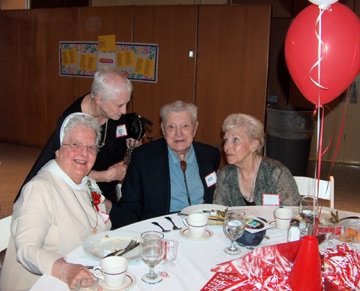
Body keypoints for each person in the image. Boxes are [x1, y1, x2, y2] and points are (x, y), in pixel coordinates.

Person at [0, 113, 111, 290]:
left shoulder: (88, 183)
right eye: (75, 144)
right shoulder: (39, 189)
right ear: (58, 150)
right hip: (40, 283)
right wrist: (65, 270)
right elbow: (27, 249)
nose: (84, 153)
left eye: (91, 147)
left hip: (83, 276)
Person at [15, 68, 151, 208]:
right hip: (76, 189)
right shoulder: (72, 123)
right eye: (120, 105)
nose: (124, 111)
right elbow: (65, 171)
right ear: (99, 99)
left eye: (126, 103)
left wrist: (128, 150)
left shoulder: (113, 113)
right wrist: (105, 175)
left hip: (109, 186)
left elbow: (117, 140)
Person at [109, 100, 221, 229]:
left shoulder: (210, 155)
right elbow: (131, 205)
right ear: (163, 129)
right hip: (162, 229)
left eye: (185, 126)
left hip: (202, 226)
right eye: (171, 127)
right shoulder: (144, 158)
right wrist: (109, 208)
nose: (178, 133)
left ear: (195, 128)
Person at [213, 113, 300, 207]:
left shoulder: (276, 173)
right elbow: (219, 214)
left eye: (236, 140)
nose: (226, 146)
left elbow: (293, 212)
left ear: (254, 145)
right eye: (226, 140)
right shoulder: (225, 175)